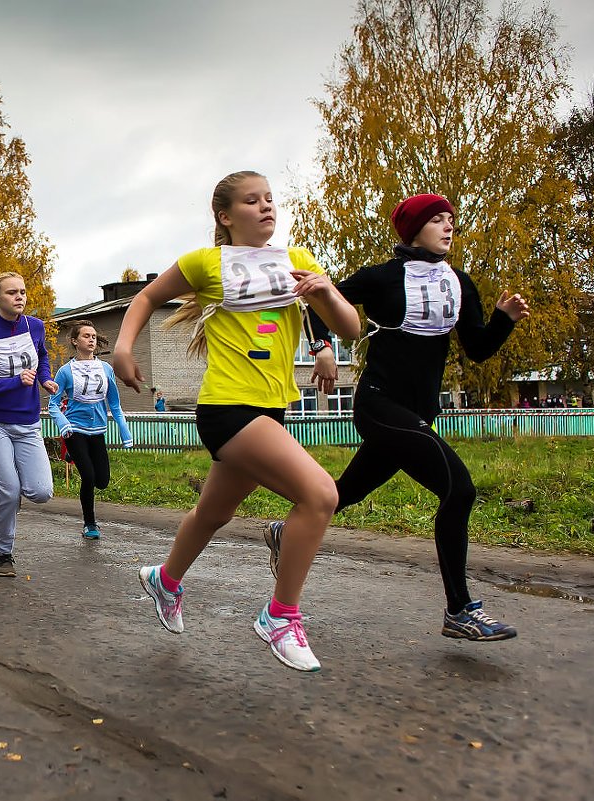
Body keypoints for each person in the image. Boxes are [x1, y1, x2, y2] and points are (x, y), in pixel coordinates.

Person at [112, 170, 360, 672]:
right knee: (320, 495)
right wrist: (121, 346)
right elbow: (146, 298)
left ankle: (165, 579)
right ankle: (280, 616)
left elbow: (349, 325)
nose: (266, 207)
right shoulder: (206, 264)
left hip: (271, 408)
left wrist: (326, 295)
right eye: (252, 201)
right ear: (226, 216)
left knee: (213, 514)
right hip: (227, 408)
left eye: (270, 199)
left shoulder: (296, 262)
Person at [266, 193, 530, 642]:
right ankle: (460, 609)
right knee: (459, 489)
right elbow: (318, 303)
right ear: (413, 229)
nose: (449, 227)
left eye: (451, 220)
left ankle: (283, 530)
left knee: (341, 493)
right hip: (379, 404)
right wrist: (324, 348)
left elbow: (479, 349)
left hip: (419, 411)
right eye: (438, 220)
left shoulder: (460, 284)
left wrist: (504, 320)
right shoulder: (383, 277)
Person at [0, 271, 59, 577]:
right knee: (7, 493)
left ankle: (13, 485)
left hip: (28, 422)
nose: (19, 297)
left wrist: (45, 378)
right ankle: (3, 553)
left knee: (42, 492)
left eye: (22, 291)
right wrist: (15, 382)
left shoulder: (35, 326)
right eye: (11, 293)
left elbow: (42, 356)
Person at [49, 320, 133, 539]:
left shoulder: (106, 369)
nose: (91, 339)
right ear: (75, 341)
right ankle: (90, 524)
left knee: (102, 481)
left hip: (97, 430)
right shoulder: (65, 372)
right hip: (74, 429)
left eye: (94, 336)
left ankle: (71, 456)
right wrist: (63, 424)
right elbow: (53, 405)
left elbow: (114, 403)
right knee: (88, 476)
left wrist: (124, 429)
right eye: (86, 336)